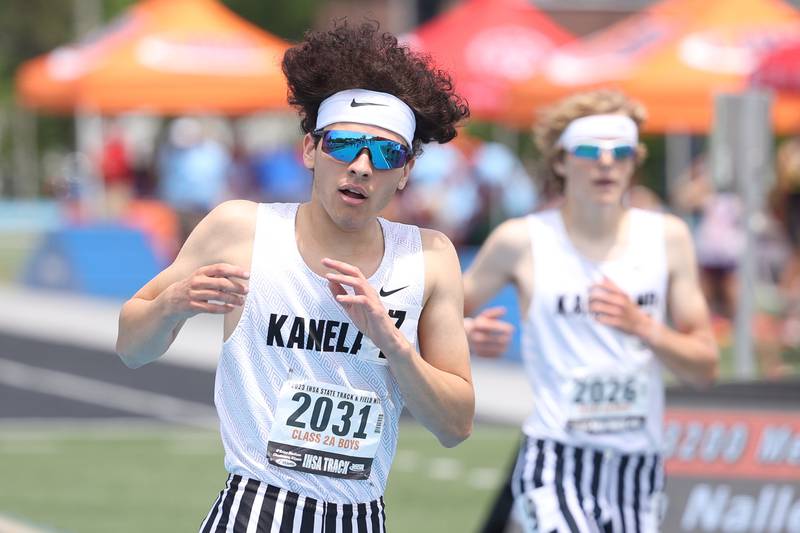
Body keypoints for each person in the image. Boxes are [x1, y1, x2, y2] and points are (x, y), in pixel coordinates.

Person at [116, 20, 474, 532]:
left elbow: (456, 425)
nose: (363, 166)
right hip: (253, 511)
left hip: (362, 518)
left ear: (407, 171)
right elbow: (131, 348)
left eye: (388, 152)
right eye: (345, 145)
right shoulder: (240, 228)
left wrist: (392, 344)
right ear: (310, 150)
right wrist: (174, 303)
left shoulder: (429, 257)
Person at [464, 90, 719, 533]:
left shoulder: (667, 237)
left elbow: (704, 368)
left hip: (638, 464)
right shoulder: (520, 240)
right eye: (590, 151)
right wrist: (465, 331)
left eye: (620, 152)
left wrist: (642, 325)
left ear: (634, 160)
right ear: (561, 161)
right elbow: (435, 310)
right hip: (555, 456)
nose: (606, 163)